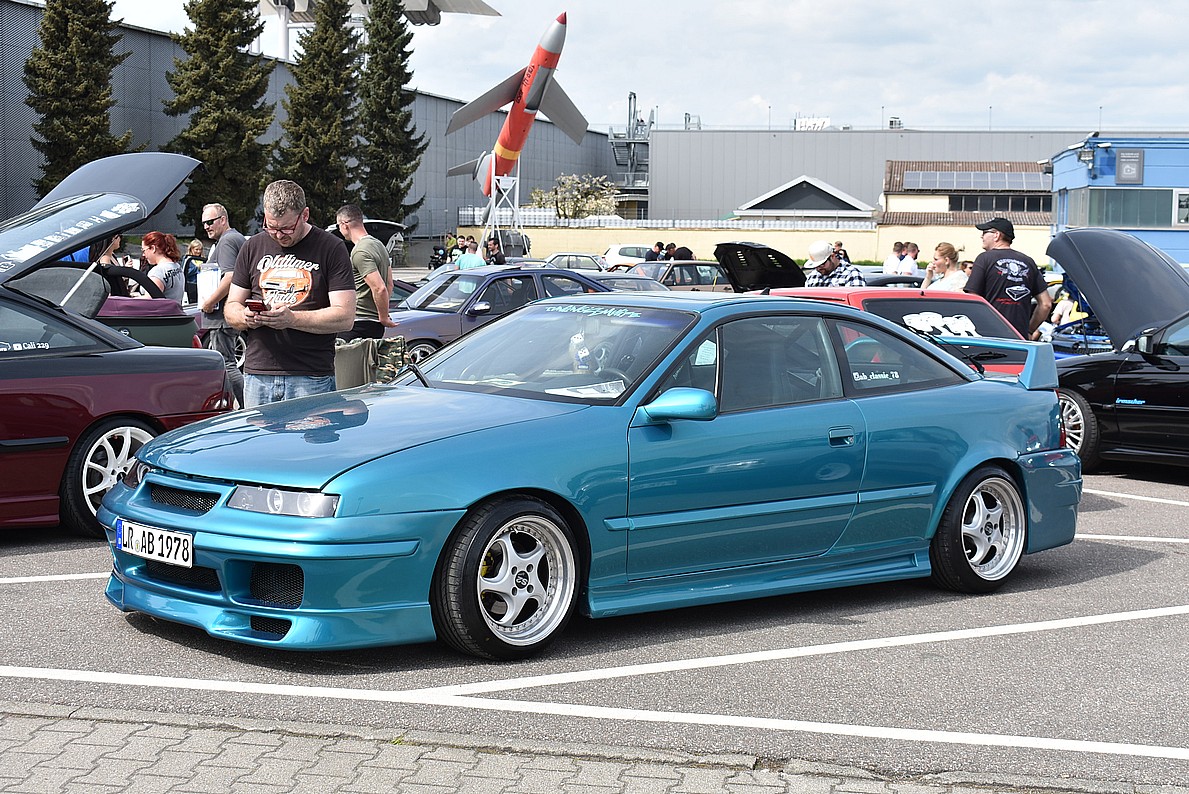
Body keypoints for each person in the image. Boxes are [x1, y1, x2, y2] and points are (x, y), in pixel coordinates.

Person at [226, 180, 355, 408]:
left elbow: (345, 317)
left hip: (310, 376)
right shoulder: (252, 246)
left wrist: (292, 319)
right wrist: (245, 316)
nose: (278, 235)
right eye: (270, 227)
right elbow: (231, 307)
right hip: (258, 375)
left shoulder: (331, 248)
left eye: (286, 228)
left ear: (305, 215)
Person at [965, 217, 1052, 339]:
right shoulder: (1028, 262)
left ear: (996, 235)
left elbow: (972, 299)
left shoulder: (984, 259)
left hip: (989, 336)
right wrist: (1029, 330)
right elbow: (1046, 304)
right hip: (1019, 338)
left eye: (985, 232)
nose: (981, 236)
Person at [198, 203, 247, 409]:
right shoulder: (234, 238)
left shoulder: (227, 241)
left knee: (227, 364)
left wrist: (210, 302)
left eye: (210, 222)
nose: (206, 227)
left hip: (222, 316)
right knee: (229, 362)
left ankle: (246, 408)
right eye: (204, 223)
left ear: (223, 220)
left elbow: (230, 277)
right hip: (229, 313)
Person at [335, 203, 397, 341]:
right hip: (375, 325)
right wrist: (381, 314)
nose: (339, 230)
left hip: (358, 323)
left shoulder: (360, 251)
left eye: (338, 226)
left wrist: (383, 317)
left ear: (344, 224)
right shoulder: (379, 245)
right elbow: (389, 284)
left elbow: (379, 288)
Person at [140, 231, 185, 302]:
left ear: (153, 248)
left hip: (163, 309)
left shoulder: (158, 272)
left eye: (144, 250)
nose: (143, 255)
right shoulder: (177, 266)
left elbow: (149, 301)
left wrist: (129, 300)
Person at [182, 238, 206, 303]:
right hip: (190, 285)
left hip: (201, 285)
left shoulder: (203, 259)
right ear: (191, 249)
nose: (198, 251)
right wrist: (196, 268)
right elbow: (185, 272)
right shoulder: (187, 259)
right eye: (196, 249)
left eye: (200, 249)